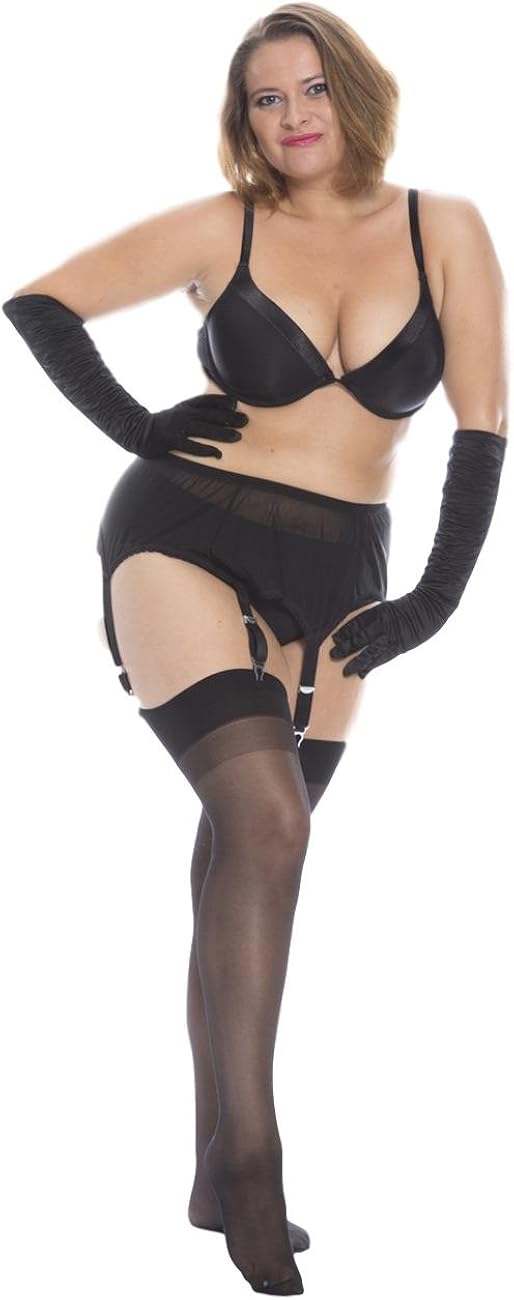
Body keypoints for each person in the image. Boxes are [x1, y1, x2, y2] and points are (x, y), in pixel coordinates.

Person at [2, 3, 508, 1293]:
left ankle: (201, 1162)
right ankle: (255, 1166)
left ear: (354, 93)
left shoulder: (443, 226)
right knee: (269, 824)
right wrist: (138, 426)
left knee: (246, 853)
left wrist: (439, 598)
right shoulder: (223, 226)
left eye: (311, 90)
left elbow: (481, 427)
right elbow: (41, 303)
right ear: (245, 116)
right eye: (265, 99)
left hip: (343, 573)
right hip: (184, 536)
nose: (290, 118)